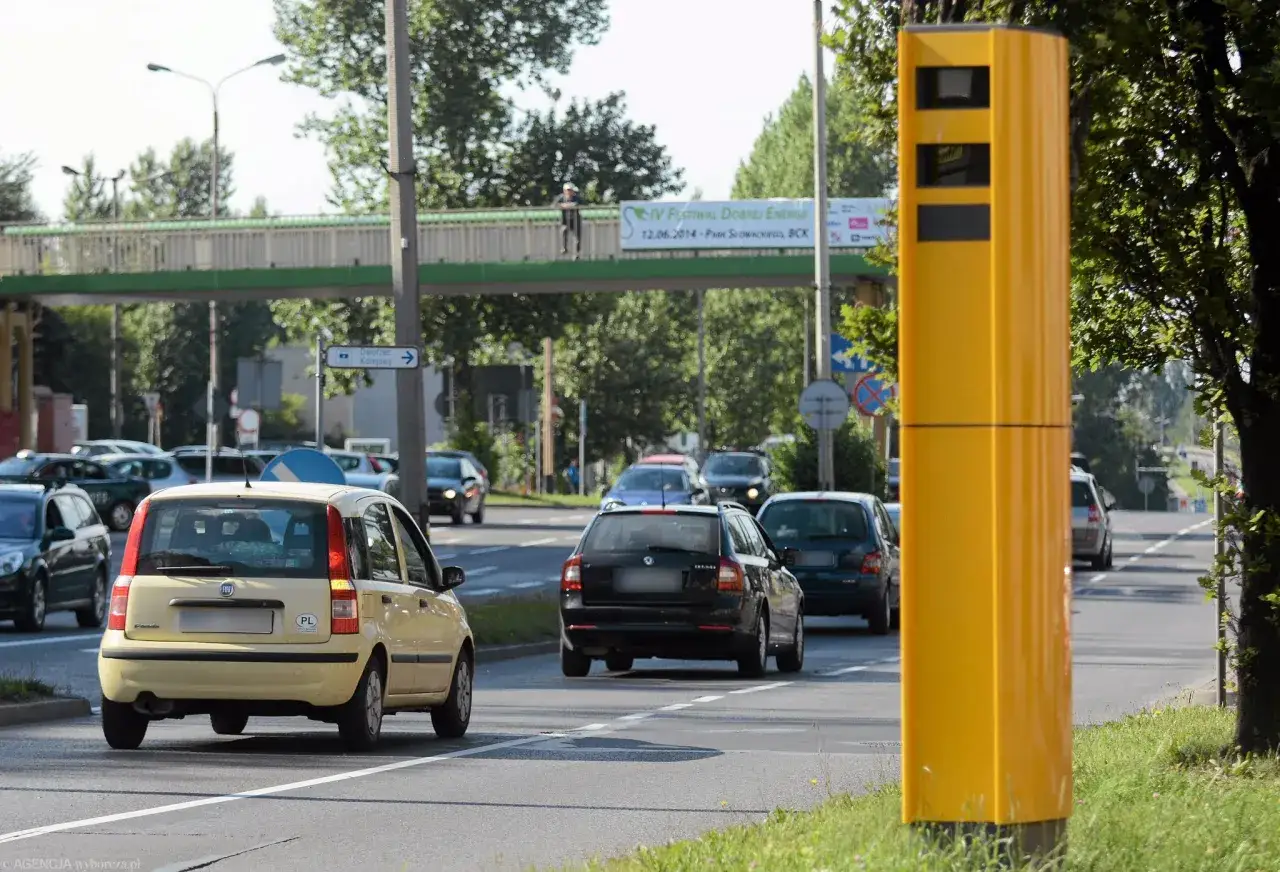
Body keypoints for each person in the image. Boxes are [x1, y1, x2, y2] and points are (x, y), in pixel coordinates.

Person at [556, 182, 582, 258]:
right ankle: (564, 248)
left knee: (577, 238)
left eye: (571, 190)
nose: (569, 192)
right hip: (565, 220)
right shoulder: (561, 197)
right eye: (568, 190)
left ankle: (576, 254)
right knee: (564, 231)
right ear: (564, 191)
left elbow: (578, 204)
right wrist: (564, 205)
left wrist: (566, 205)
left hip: (575, 220)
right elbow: (555, 204)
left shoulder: (576, 197)